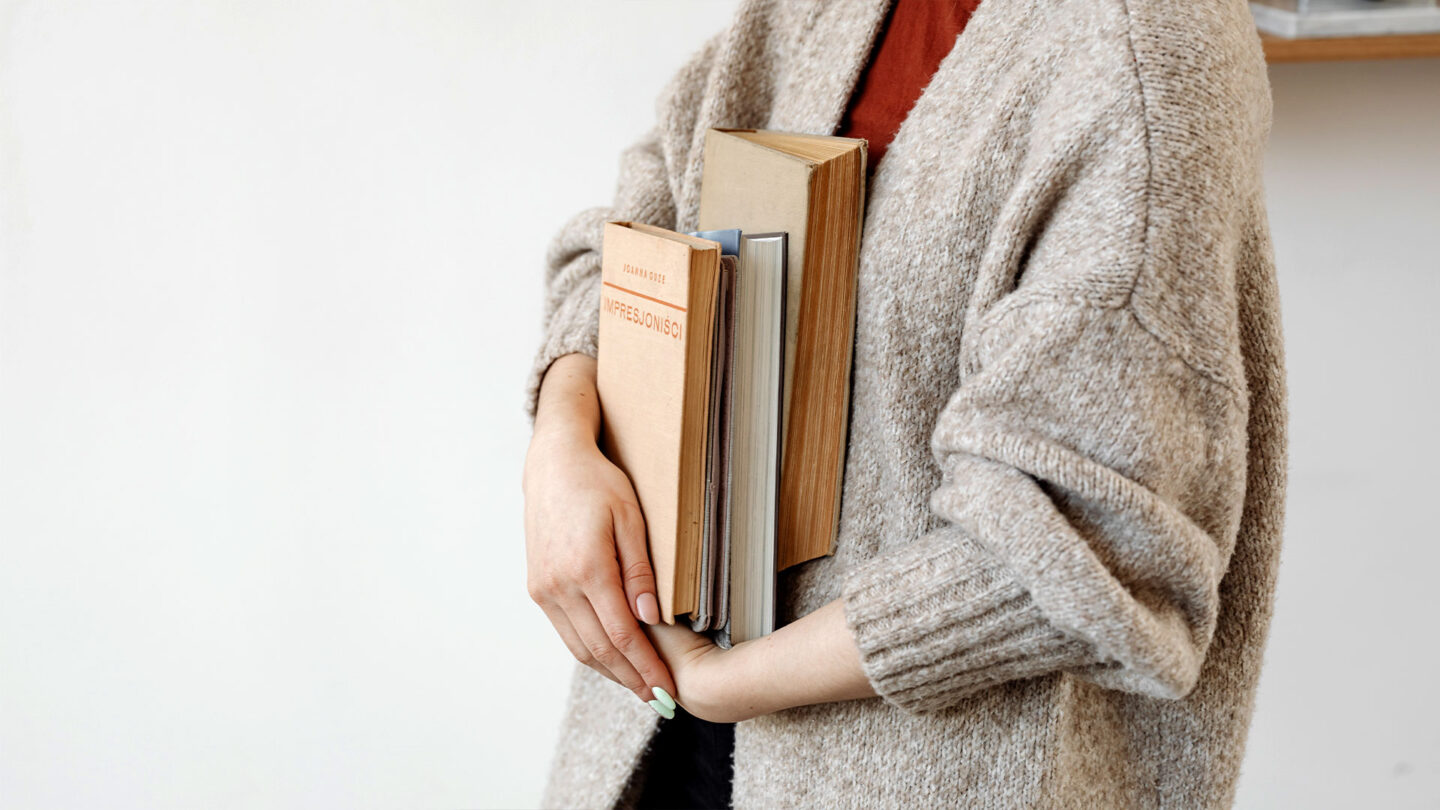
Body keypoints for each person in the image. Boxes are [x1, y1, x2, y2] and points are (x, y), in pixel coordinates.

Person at [521, 0, 1288, 807]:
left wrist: (724, 682)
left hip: (905, 766)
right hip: (659, 729)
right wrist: (560, 441)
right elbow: (637, 213)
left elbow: (1090, 535)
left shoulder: (1147, 43)